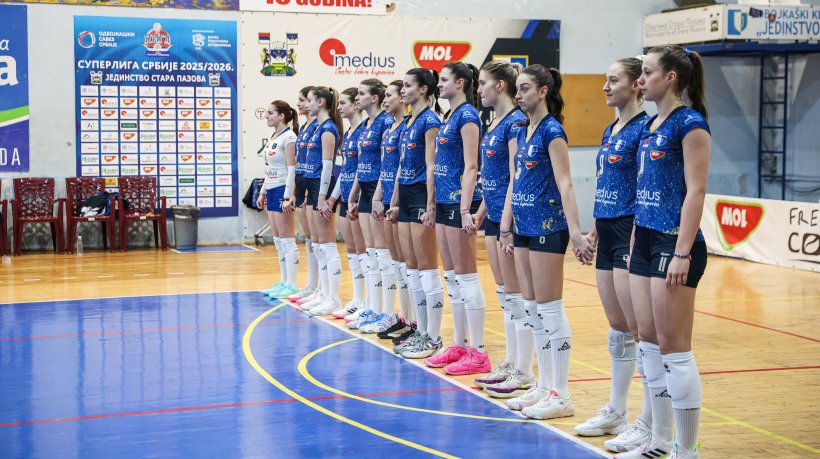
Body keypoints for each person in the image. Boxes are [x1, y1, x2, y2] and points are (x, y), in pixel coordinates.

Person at [616, 45, 710, 459]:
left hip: (675, 244)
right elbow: (644, 187)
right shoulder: (650, 125)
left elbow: (696, 192)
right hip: (644, 240)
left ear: (670, 78)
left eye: (648, 72)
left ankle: (686, 450)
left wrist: (683, 253)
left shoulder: (690, 124)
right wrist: (636, 235)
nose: (640, 80)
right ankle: (659, 440)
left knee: (675, 348)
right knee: (647, 342)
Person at [497, 64, 594, 419]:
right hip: (523, 227)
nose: (518, 94)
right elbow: (515, 180)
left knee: (550, 309)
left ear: (542, 91)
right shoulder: (522, 130)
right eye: (517, 89)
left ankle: (561, 394)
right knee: (532, 308)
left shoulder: (553, 131)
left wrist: (576, 232)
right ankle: (543, 384)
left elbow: (565, 183)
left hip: (548, 226)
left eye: (524, 88)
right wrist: (506, 225)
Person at [573, 57, 653, 451]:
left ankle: (649, 422)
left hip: (629, 233)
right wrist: (593, 228)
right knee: (618, 329)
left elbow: (645, 186)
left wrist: (635, 233)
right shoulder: (610, 129)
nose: (605, 87)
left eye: (613, 80)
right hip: (606, 230)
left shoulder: (645, 129)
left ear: (637, 85)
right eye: (605, 80)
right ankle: (617, 411)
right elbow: (608, 182)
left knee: (642, 333)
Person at [419, 62, 489, 375]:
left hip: (461, 203)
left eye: (445, 79)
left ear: (460, 83)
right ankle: (459, 344)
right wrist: (434, 204)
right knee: (452, 277)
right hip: (445, 202)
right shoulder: (448, 116)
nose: (440, 84)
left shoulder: (468, 116)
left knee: (467, 276)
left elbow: (472, 166)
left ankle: (479, 351)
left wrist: (464, 209)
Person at [469, 60, 531, 393]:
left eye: (483, 83)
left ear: (500, 86)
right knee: (505, 293)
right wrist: (482, 211)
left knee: (517, 296)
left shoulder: (515, 123)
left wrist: (505, 222)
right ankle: (511, 361)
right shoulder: (493, 123)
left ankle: (524, 370)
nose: (479, 89)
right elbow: (491, 178)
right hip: (493, 215)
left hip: (511, 219)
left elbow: (513, 177)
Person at [386, 68, 443, 360]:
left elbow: (432, 165)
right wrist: (395, 199)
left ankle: (433, 337)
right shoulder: (409, 122)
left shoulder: (431, 121)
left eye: (408, 86)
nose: (403, 90)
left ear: (423, 90)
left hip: (422, 194)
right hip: (407, 196)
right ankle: (421, 332)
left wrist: (431, 204)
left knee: (427, 268)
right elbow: (401, 165)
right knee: (412, 268)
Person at [347, 79, 403, 334]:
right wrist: (354, 194)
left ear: (375, 98)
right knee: (370, 254)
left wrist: (380, 196)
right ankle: (372, 307)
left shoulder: (385, 122)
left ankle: (388, 313)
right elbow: (361, 164)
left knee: (382, 255)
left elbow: (387, 163)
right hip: (366, 189)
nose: (357, 98)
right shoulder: (366, 125)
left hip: (381, 189)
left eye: (361, 93)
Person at [310, 88, 366, 316]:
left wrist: (351, 196)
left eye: (343, 103)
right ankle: (357, 299)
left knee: (364, 251)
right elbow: (345, 171)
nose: (339, 107)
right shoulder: (350, 132)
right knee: (351, 250)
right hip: (346, 195)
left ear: (355, 104)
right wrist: (334, 197)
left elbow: (361, 169)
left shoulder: (364, 130)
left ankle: (366, 303)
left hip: (360, 196)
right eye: (339, 102)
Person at [370, 80, 416, 342]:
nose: (384, 100)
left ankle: (414, 322)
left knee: (409, 265)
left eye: (389, 95)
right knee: (397, 263)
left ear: (401, 98)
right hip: (387, 197)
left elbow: (401, 168)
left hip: (400, 200)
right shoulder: (391, 129)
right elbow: (385, 168)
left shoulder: (405, 127)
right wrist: (378, 196)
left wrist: (394, 200)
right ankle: (404, 318)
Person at [298, 87, 343, 315]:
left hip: (321, 186)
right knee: (317, 244)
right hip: (312, 185)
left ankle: (333, 298)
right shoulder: (316, 127)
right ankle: (322, 293)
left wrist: (323, 196)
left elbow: (327, 166)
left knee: (327, 245)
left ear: (321, 102)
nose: (306, 104)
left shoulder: (328, 129)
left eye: (309, 100)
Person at [258, 100, 300, 299]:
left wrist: (287, 195)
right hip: (272, 189)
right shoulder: (273, 136)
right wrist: (263, 191)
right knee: (278, 240)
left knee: (287, 239)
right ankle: (283, 282)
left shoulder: (290, 137)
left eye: (270, 113)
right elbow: (269, 169)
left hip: (283, 188)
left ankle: (292, 285)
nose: (267, 116)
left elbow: (292, 169)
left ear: (281, 116)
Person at [288, 87, 320, 304]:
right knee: (309, 238)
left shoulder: (319, 127)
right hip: (301, 184)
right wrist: (294, 192)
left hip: (312, 185)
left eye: (303, 100)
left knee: (318, 240)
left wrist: (309, 191)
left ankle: (320, 289)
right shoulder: (304, 127)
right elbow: (298, 162)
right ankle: (312, 285)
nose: (300, 104)